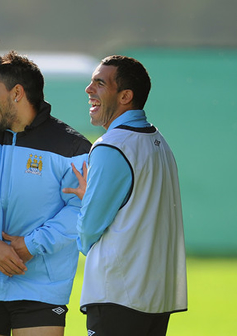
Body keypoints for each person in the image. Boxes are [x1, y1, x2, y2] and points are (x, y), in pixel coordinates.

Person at [0, 51, 92, 336]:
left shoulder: (73, 147)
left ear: (17, 93)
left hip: (41, 287)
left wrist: (31, 245)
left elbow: (80, 209)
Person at [63, 55, 188, 336]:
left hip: (118, 296)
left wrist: (88, 203)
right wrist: (94, 195)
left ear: (125, 96)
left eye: (99, 83)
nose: (88, 89)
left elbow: (88, 232)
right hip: (157, 296)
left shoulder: (111, 146)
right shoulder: (160, 142)